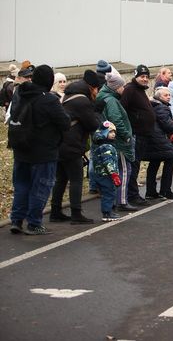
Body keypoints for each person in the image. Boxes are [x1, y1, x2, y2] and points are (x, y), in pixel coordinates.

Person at [8, 65, 70, 235]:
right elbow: (64, 122)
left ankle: (17, 220)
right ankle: (34, 223)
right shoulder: (48, 99)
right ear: (50, 81)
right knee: (40, 187)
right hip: (43, 152)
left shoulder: (20, 93)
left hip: (20, 148)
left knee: (21, 185)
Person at [50, 70, 101, 224]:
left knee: (61, 179)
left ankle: (55, 212)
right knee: (76, 179)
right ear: (92, 87)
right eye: (97, 89)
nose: (98, 92)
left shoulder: (69, 95)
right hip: (71, 145)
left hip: (59, 143)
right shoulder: (82, 101)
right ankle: (76, 214)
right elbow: (92, 124)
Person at [96, 73, 136, 211]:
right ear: (116, 87)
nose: (124, 89)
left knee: (112, 171)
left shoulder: (103, 97)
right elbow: (116, 120)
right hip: (119, 141)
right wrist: (126, 135)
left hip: (109, 140)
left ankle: (112, 200)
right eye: (122, 86)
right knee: (124, 170)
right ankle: (122, 201)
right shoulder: (111, 101)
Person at [121, 64, 155, 206]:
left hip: (143, 134)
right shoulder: (130, 89)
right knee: (133, 166)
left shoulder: (140, 90)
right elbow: (123, 109)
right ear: (136, 77)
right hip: (135, 134)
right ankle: (132, 195)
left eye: (147, 77)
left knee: (136, 165)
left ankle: (133, 193)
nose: (145, 79)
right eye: (142, 76)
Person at [144, 87, 173, 199]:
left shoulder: (152, 105)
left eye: (169, 95)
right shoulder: (162, 108)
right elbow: (167, 125)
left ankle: (150, 191)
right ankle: (165, 190)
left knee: (154, 163)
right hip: (159, 139)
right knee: (171, 158)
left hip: (151, 139)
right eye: (166, 95)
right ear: (159, 97)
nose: (169, 97)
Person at [90, 121, 123, 222]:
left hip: (101, 174)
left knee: (108, 193)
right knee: (108, 193)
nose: (113, 134)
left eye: (114, 132)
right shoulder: (106, 147)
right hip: (106, 174)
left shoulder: (101, 146)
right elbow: (108, 162)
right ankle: (107, 213)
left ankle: (109, 211)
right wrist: (114, 174)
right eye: (110, 132)